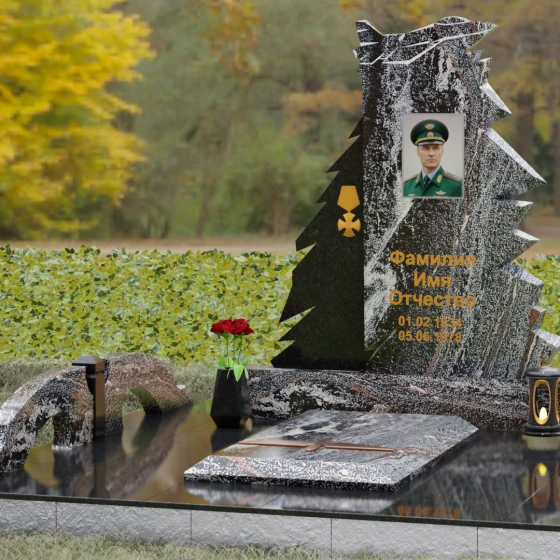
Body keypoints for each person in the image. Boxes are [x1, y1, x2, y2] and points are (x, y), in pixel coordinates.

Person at [403, 119, 463, 198]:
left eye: (436, 148)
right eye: (425, 148)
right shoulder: (406, 186)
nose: (431, 154)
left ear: (442, 151)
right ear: (418, 152)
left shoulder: (456, 185)